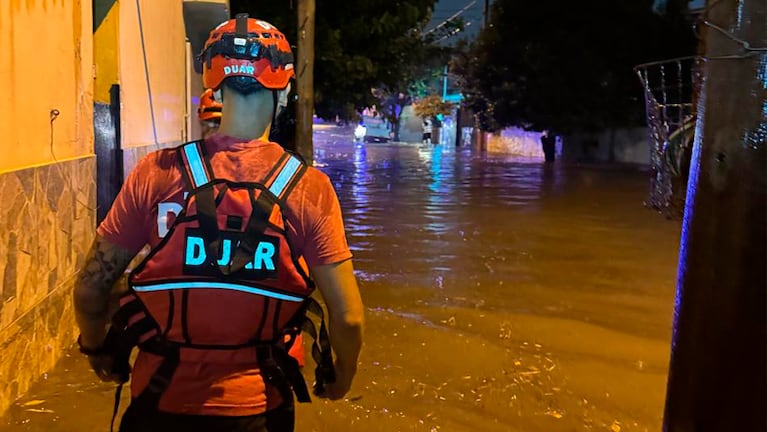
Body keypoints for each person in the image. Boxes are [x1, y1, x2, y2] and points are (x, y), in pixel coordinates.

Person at [73, 14, 364, 432]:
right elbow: (348, 318)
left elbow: (91, 287)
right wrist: (341, 376)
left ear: (212, 82)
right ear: (284, 86)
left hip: (159, 401)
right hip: (260, 407)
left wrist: (99, 351)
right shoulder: (308, 189)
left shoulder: (157, 172)